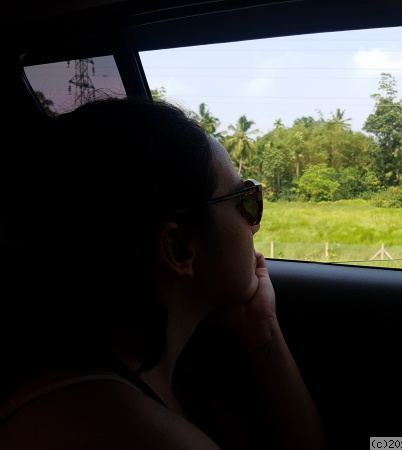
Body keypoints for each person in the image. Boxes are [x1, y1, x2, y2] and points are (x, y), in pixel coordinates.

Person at [0, 97, 327, 449]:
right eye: (245, 200)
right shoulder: (128, 431)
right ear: (178, 248)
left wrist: (261, 325)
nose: (254, 226)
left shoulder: (152, 364)